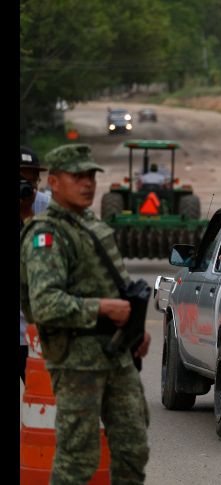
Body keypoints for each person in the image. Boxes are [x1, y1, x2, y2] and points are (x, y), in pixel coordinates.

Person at [20, 144, 151, 484]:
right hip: (77, 361)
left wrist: (136, 328)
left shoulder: (93, 225)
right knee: (77, 458)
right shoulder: (46, 234)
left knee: (133, 447)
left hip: (117, 353)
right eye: (77, 176)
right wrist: (102, 308)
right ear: (54, 183)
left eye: (91, 175)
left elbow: (115, 286)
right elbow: (45, 304)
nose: (88, 183)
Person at [20, 146, 51, 383]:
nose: (26, 188)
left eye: (32, 182)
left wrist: (28, 215)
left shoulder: (47, 207)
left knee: (41, 397)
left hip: (35, 333)